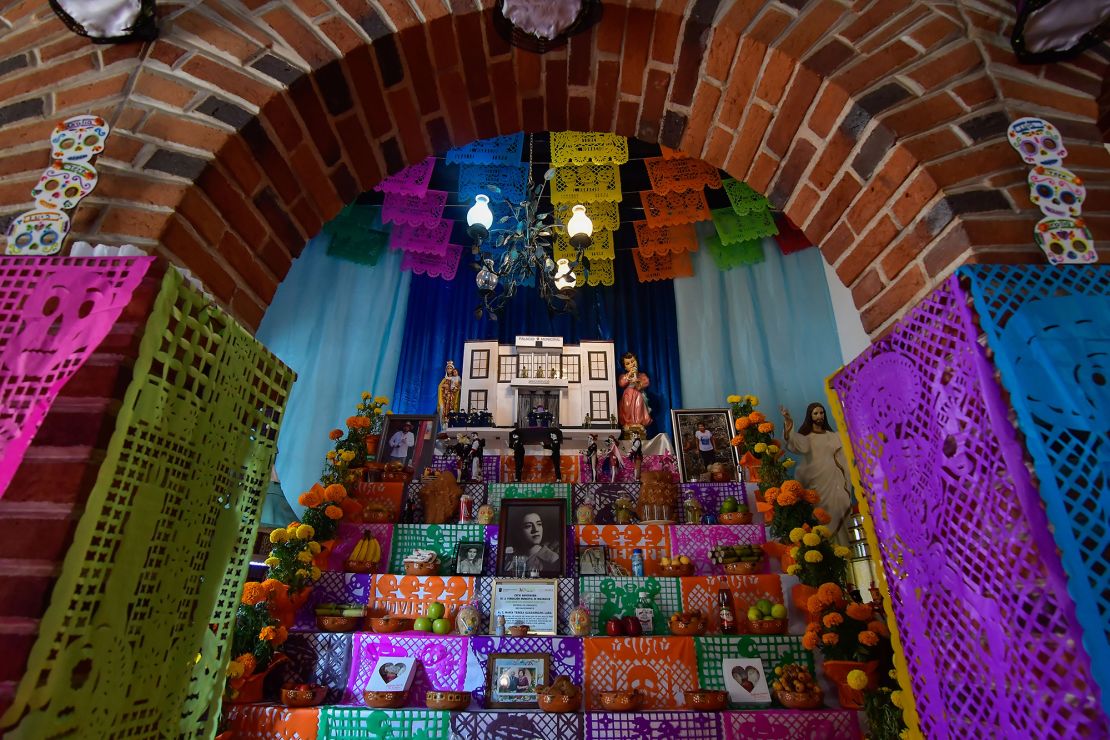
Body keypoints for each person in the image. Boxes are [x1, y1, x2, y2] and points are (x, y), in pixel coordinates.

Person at [781, 402, 853, 540]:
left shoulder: (833, 436)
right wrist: (788, 421)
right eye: (816, 413)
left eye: (821, 413)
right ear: (810, 416)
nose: (819, 416)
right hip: (817, 482)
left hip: (835, 481)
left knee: (841, 507)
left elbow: (848, 439)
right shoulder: (807, 438)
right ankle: (827, 547)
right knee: (820, 513)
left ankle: (844, 547)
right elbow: (793, 442)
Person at [510, 510, 560, 576]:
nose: (535, 529)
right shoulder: (511, 557)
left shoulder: (552, 558)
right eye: (528, 526)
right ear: (518, 531)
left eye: (539, 524)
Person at [617, 352, 652, 434]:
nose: (631, 364)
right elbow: (621, 383)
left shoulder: (642, 375)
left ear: (636, 362)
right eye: (628, 363)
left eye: (633, 361)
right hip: (628, 396)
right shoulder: (624, 376)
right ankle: (628, 423)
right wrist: (629, 375)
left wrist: (636, 378)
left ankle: (638, 423)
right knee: (627, 406)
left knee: (638, 406)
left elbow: (645, 383)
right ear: (625, 367)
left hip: (638, 395)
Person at [436, 360, 461, 426]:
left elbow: (457, 388)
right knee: (443, 409)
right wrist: (443, 387)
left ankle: (451, 424)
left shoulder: (455, 378)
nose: (449, 370)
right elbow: (440, 387)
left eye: (451, 368)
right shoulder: (444, 379)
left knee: (451, 411)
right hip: (445, 398)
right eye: (448, 368)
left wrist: (451, 388)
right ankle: (443, 425)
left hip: (452, 398)